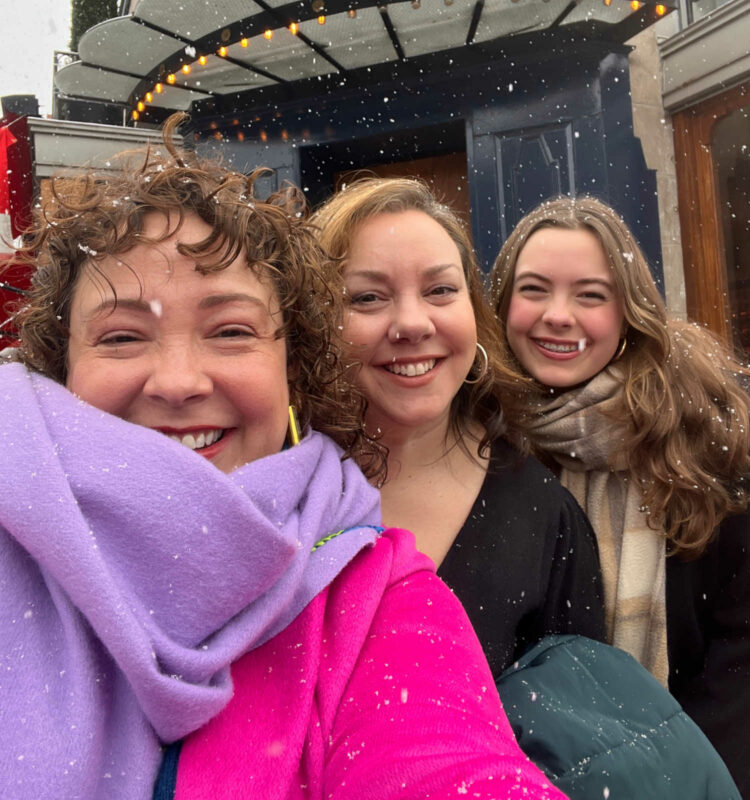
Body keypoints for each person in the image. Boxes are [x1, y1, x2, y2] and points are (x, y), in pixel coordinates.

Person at [0, 130, 567, 800]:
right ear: (59, 370)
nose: (179, 381)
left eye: (232, 330)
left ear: (293, 371)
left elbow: (448, 765)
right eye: (122, 337)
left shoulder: (377, 601)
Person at [489, 194, 750, 797]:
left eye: (590, 294)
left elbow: (741, 646)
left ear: (629, 312)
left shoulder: (705, 435)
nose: (558, 315)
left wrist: (687, 776)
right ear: (500, 307)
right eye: (533, 290)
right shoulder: (472, 441)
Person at [314, 177, 605, 678]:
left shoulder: (544, 514)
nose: (412, 323)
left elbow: (578, 728)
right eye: (366, 298)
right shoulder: (272, 485)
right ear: (315, 321)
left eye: (441, 290)